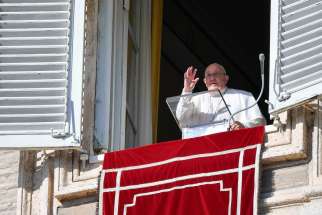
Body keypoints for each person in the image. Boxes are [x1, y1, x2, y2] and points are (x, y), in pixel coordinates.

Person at [176, 63, 265, 139]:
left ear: (226, 78)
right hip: (202, 147)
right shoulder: (196, 99)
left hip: (232, 144)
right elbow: (182, 119)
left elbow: (260, 122)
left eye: (216, 74)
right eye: (208, 75)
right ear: (205, 81)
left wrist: (244, 126)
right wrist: (187, 90)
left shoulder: (243, 96)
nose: (212, 78)